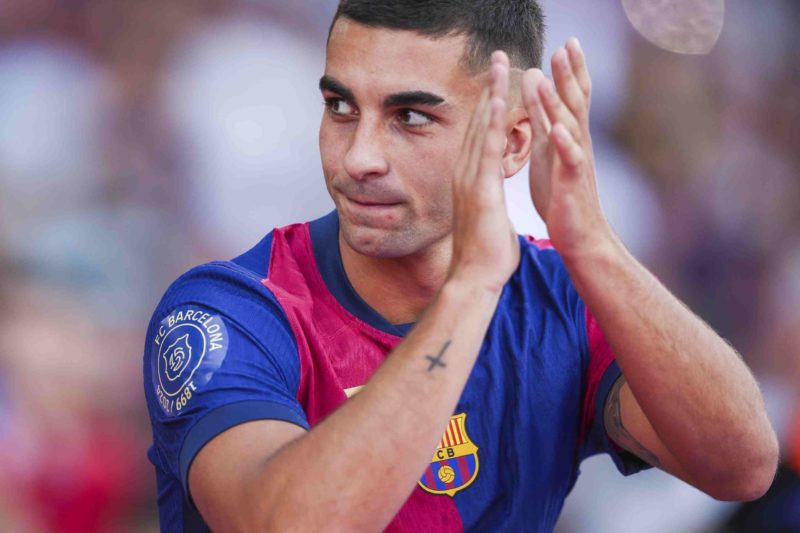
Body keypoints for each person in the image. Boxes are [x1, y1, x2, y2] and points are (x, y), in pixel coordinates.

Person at [143, 1, 778, 530]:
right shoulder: (228, 311)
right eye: (341, 107)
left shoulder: (562, 296)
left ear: (515, 141)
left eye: (410, 117)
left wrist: (593, 245)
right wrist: (472, 286)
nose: (359, 155)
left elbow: (741, 466)